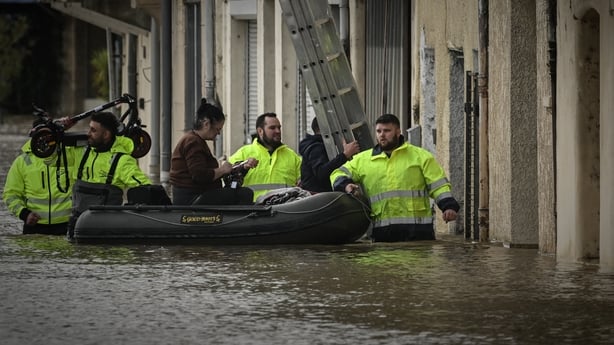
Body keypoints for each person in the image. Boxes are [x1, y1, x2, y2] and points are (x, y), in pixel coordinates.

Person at [330, 113, 460, 242]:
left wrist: (448, 206)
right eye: (378, 131)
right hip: (383, 233)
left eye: (387, 130)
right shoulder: (363, 160)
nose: (382, 135)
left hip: (418, 233)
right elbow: (337, 173)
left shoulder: (420, 156)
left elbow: (438, 185)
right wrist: (346, 185)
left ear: (398, 132)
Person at [67, 111, 151, 238]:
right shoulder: (80, 153)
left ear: (106, 134)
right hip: (77, 227)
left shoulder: (122, 161)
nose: (88, 134)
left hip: (104, 230)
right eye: (89, 129)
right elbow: (49, 160)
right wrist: (60, 129)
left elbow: (146, 188)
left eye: (93, 130)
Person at [169, 98, 257, 205]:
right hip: (192, 198)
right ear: (206, 124)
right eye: (217, 129)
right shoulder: (193, 142)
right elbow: (199, 176)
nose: (218, 133)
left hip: (194, 195)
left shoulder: (195, 140)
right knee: (244, 194)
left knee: (235, 190)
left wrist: (242, 167)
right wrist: (222, 170)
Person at [2, 119, 81, 235]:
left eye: (48, 136)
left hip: (67, 225)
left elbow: (92, 144)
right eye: (40, 136)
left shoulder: (70, 155)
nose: (44, 141)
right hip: (34, 227)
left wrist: (64, 130)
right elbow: (10, 195)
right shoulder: (22, 162)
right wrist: (24, 214)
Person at [229, 112, 301, 202]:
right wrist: (242, 167)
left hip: (284, 210)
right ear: (260, 131)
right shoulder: (243, 153)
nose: (278, 131)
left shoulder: (292, 156)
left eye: (279, 127)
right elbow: (228, 179)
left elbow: (303, 183)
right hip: (252, 210)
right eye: (272, 128)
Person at [298, 117, 360, 193]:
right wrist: (345, 155)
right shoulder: (316, 147)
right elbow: (321, 173)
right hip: (318, 198)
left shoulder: (321, 145)